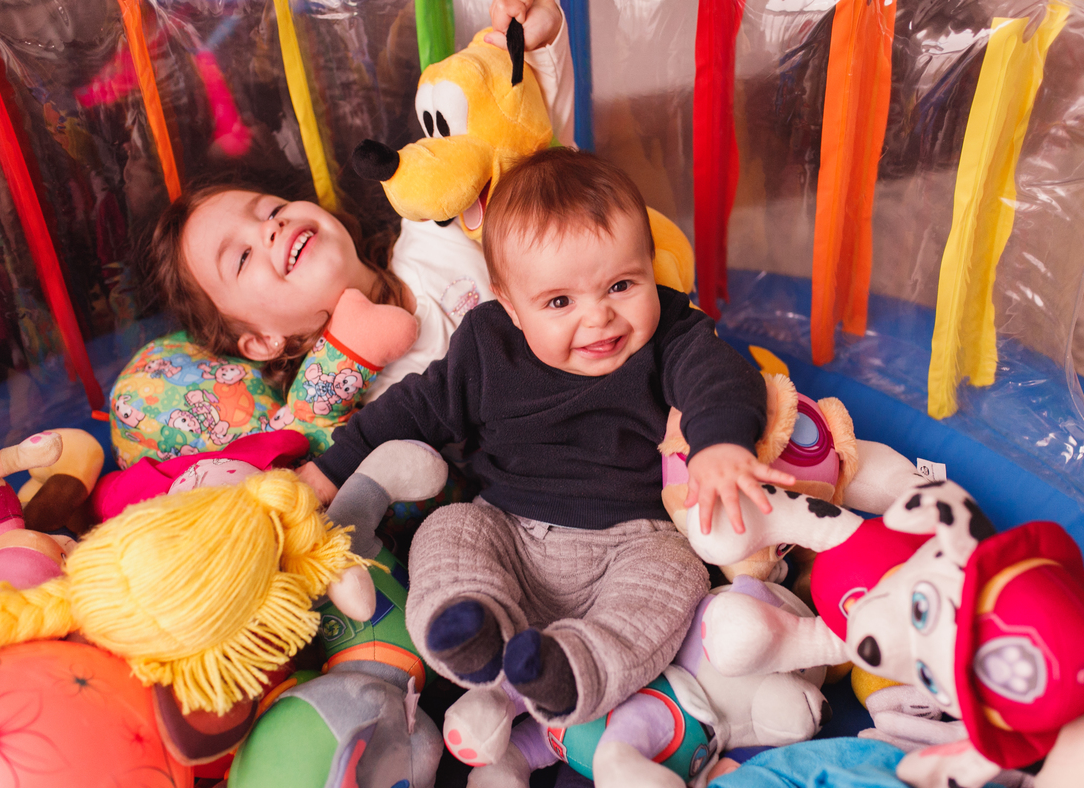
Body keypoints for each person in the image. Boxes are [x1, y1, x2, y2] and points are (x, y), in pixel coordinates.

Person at [308, 148, 797, 728]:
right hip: (510, 528)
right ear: (510, 307)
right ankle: (472, 625)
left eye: (621, 285)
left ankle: (576, 666)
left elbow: (720, 378)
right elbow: (411, 408)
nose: (598, 318)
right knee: (449, 529)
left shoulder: (670, 333)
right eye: (560, 302)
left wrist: (719, 445)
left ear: (649, 265)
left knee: (678, 575)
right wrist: (324, 473)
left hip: (634, 542)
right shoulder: (488, 347)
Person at [147, 0, 573, 395]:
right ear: (262, 341)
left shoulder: (435, 225)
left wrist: (538, 45)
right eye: (241, 257)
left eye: (271, 209)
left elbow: (532, 151)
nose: (270, 228)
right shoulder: (367, 406)